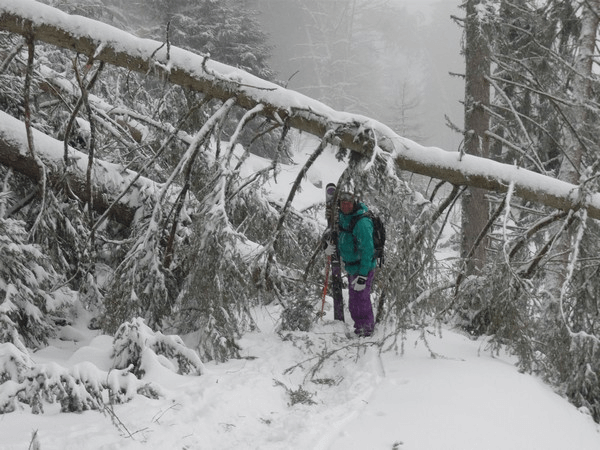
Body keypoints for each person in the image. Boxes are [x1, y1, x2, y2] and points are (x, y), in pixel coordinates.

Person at [324, 184, 376, 337]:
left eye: (349, 203)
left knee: (361, 299)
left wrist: (363, 276)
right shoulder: (341, 217)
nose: (346, 205)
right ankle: (360, 328)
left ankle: (366, 331)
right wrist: (326, 246)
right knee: (355, 301)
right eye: (343, 203)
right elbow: (332, 234)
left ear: (354, 203)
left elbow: (368, 250)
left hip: (363, 267)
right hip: (352, 267)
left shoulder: (361, 222)